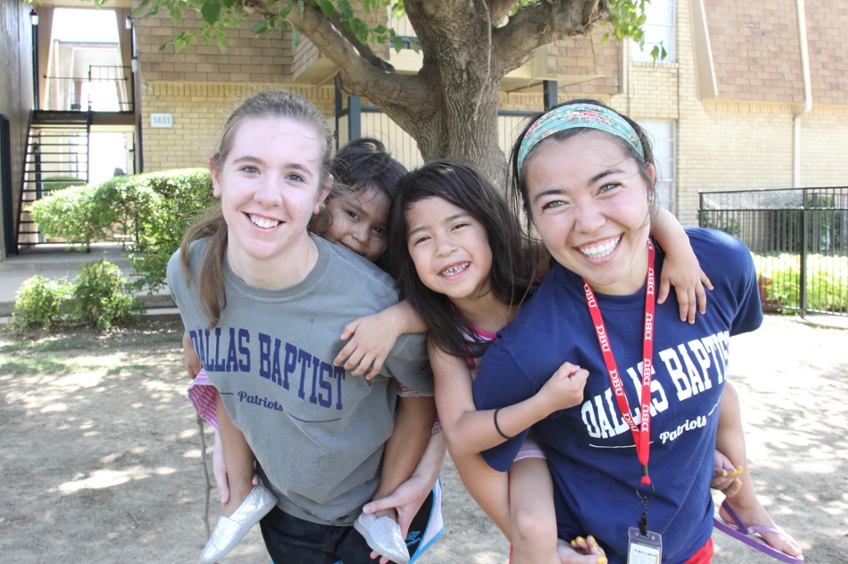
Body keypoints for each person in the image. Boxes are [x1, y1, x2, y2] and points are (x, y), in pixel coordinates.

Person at [472, 99, 803, 563]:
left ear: (649, 179)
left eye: (608, 186)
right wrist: (541, 544)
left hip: (692, 545)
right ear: (531, 216)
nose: (588, 223)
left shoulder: (720, 267)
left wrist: (746, 502)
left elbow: (713, 389)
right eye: (554, 203)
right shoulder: (527, 350)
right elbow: (478, 448)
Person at [383, 160, 715, 563]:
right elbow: (462, 436)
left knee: (722, 396)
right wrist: (543, 403)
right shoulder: (447, 338)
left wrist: (679, 250)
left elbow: (644, 212)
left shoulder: (535, 268)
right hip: (526, 434)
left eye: (458, 226)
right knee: (532, 529)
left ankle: (744, 503)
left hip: (594, 416)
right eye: (422, 239)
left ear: (491, 225)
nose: (445, 247)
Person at [167, 91, 440, 564]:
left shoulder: (376, 296)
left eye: (293, 175)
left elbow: (431, 380)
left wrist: (397, 497)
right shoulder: (191, 269)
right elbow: (218, 364)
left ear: (318, 193)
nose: (269, 195)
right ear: (217, 174)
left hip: (370, 508)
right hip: (285, 508)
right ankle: (237, 505)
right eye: (250, 168)